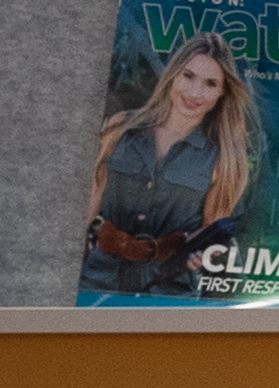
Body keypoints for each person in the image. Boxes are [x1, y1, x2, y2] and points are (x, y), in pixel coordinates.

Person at [80, 31, 257, 298]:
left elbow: (214, 231)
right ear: (173, 75)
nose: (195, 92)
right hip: (98, 275)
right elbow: (91, 195)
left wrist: (209, 258)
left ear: (223, 92)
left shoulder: (223, 156)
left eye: (210, 83)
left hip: (170, 287)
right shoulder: (121, 126)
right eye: (188, 76)